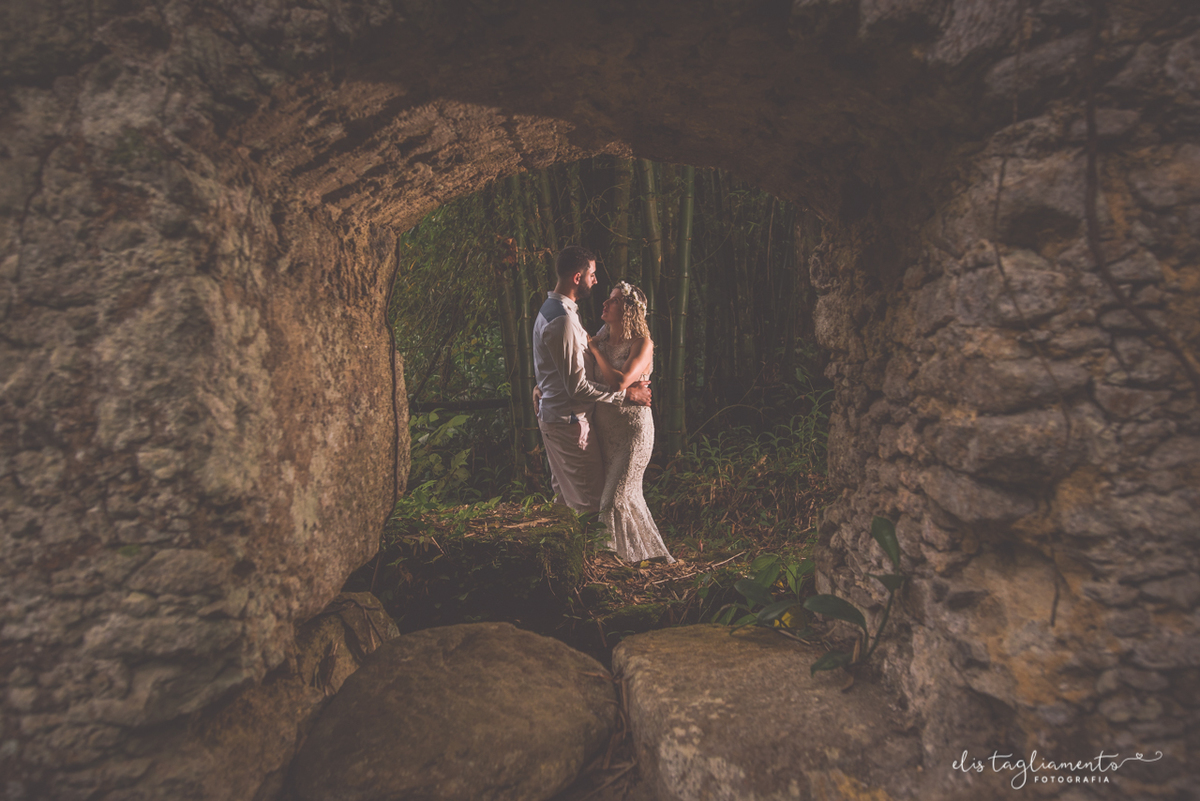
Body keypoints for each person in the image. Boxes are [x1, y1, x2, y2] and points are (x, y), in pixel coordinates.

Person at [532, 246, 651, 514]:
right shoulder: (561, 319)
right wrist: (626, 395)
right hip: (569, 421)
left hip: (567, 418)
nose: (595, 280)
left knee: (566, 499)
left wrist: (542, 386)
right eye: (592, 274)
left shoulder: (558, 311)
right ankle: (588, 555)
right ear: (578, 277)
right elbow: (576, 386)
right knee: (590, 504)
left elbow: (553, 365)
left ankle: (566, 553)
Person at [588, 282, 675, 563]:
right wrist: (540, 388)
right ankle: (640, 561)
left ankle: (612, 563)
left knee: (612, 501)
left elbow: (619, 382)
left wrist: (597, 352)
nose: (604, 303)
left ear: (627, 309)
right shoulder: (598, 339)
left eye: (612, 300)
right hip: (605, 432)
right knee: (625, 500)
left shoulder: (642, 343)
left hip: (633, 434)